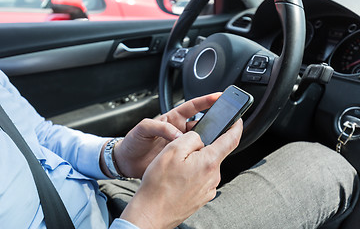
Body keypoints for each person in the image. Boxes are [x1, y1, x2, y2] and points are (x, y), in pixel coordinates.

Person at [0, 69, 358, 229]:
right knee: (323, 165)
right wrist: (150, 218)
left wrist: (115, 156)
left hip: (99, 196)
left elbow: (37, 134)